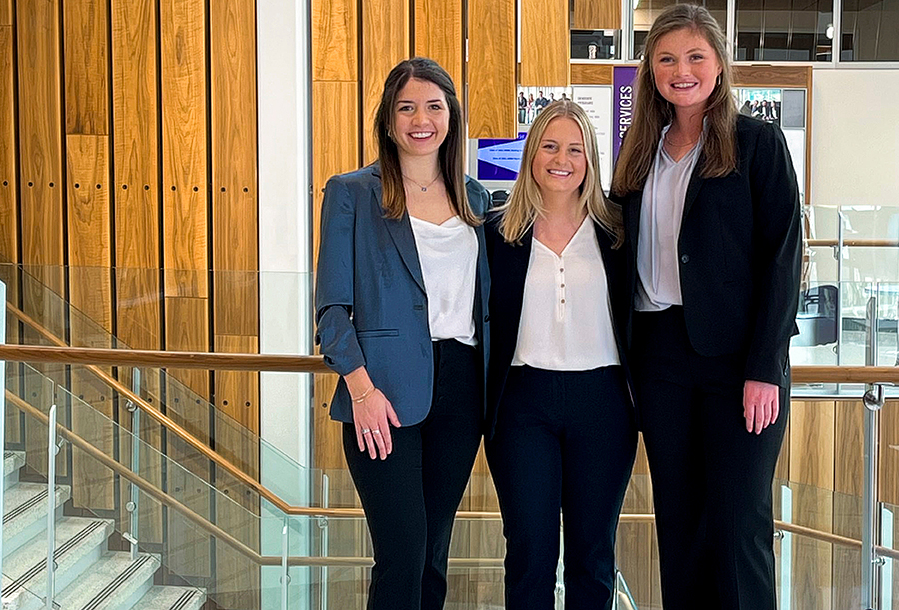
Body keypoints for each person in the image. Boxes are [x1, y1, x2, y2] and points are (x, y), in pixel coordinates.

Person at [608, 4, 802, 608]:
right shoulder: (640, 152)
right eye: (667, 58)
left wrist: (763, 368)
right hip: (660, 358)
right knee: (681, 521)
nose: (681, 70)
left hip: (736, 364)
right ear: (651, 71)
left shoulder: (755, 144)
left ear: (719, 64)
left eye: (695, 56)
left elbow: (783, 259)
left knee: (740, 522)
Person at [314, 57, 491, 610]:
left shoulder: (473, 197)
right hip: (382, 394)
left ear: (451, 117)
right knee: (403, 550)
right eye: (406, 107)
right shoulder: (352, 193)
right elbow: (331, 311)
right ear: (389, 121)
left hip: (462, 390)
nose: (421, 119)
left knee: (434, 550)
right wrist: (361, 392)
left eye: (434, 107)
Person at [485, 100, 636, 610]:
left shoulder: (618, 231)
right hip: (523, 405)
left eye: (575, 149)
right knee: (530, 550)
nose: (561, 159)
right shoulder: (497, 233)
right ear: (531, 155)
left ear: (590, 159)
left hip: (604, 404)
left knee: (593, 554)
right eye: (549, 146)